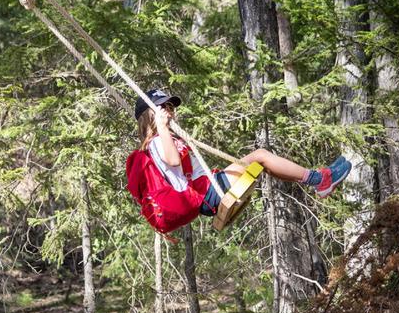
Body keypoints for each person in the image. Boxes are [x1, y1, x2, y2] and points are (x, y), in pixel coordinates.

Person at [125, 88, 352, 233]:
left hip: (206, 189)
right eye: (163, 107)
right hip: (205, 195)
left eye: (170, 107)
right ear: (151, 114)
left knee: (261, 161)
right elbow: (173, 161)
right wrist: (164, 129)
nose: (170, 112)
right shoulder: (157, 141)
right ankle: (320, 180)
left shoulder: (165, 137)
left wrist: (167, 130)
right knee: (260, 156)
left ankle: (319, 180)